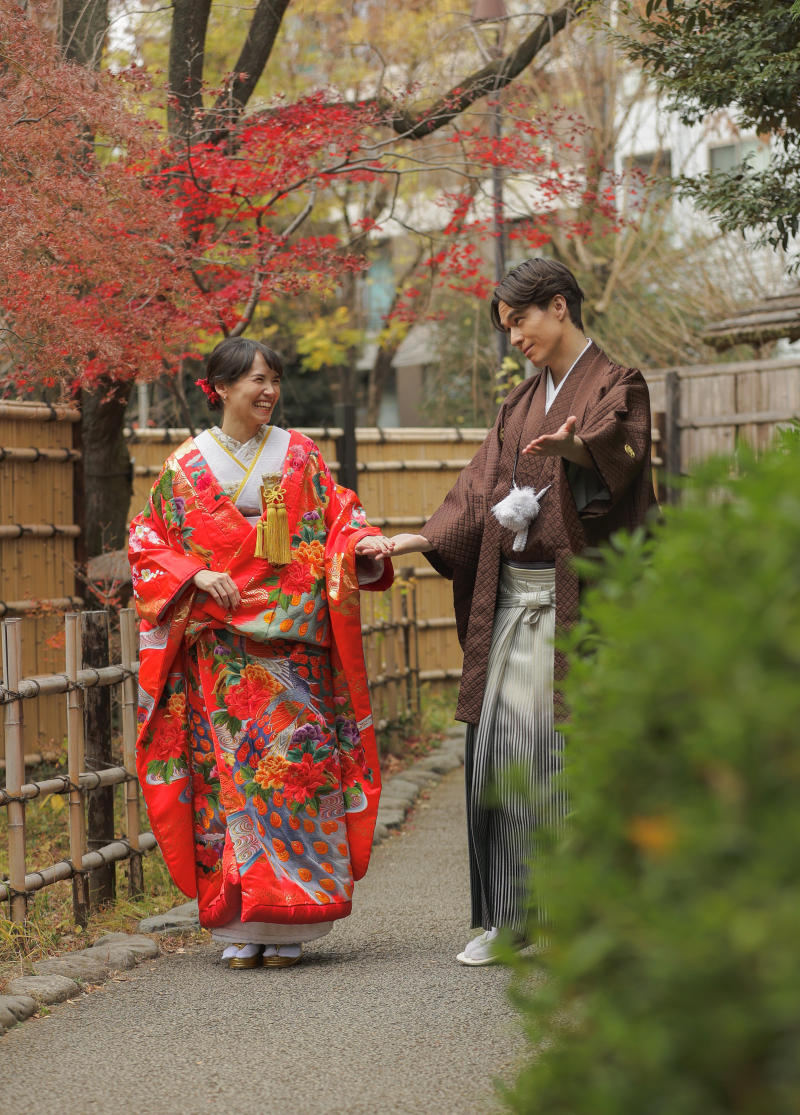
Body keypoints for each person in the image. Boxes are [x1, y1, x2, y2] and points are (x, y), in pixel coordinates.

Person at [388, 258, 656, 965]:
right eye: (507, 327)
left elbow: (620, 460)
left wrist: (580, 453)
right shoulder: (516, 406)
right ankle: (507, 919)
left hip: (578, 610)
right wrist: (420, 537)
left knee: (568, 759)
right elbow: (478, 496)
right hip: (513, 603)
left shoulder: (618, 385)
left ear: (559, 306)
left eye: (520, 322)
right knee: (499, 755)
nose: (514, 339)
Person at [129, 338, 394, 968]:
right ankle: (240, 921)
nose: (268, 391)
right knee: (233, 784)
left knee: (295, 779)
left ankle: (293, 921)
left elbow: (338, 522)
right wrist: (193, 575)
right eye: (255, 380)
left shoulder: (299, 457)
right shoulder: (186, 466)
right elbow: (149, 542)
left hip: (292, 651)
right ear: (218, 388)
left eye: (274, 379)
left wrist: (361, 546)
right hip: (221, 653)